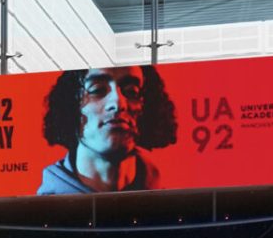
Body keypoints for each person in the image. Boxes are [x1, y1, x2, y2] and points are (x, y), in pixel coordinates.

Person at [37, 66, 177, 195]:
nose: (118, 102)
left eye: (131, 91)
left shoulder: (168, 208)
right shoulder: (43, 215)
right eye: (97, 90)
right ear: (71, 105)